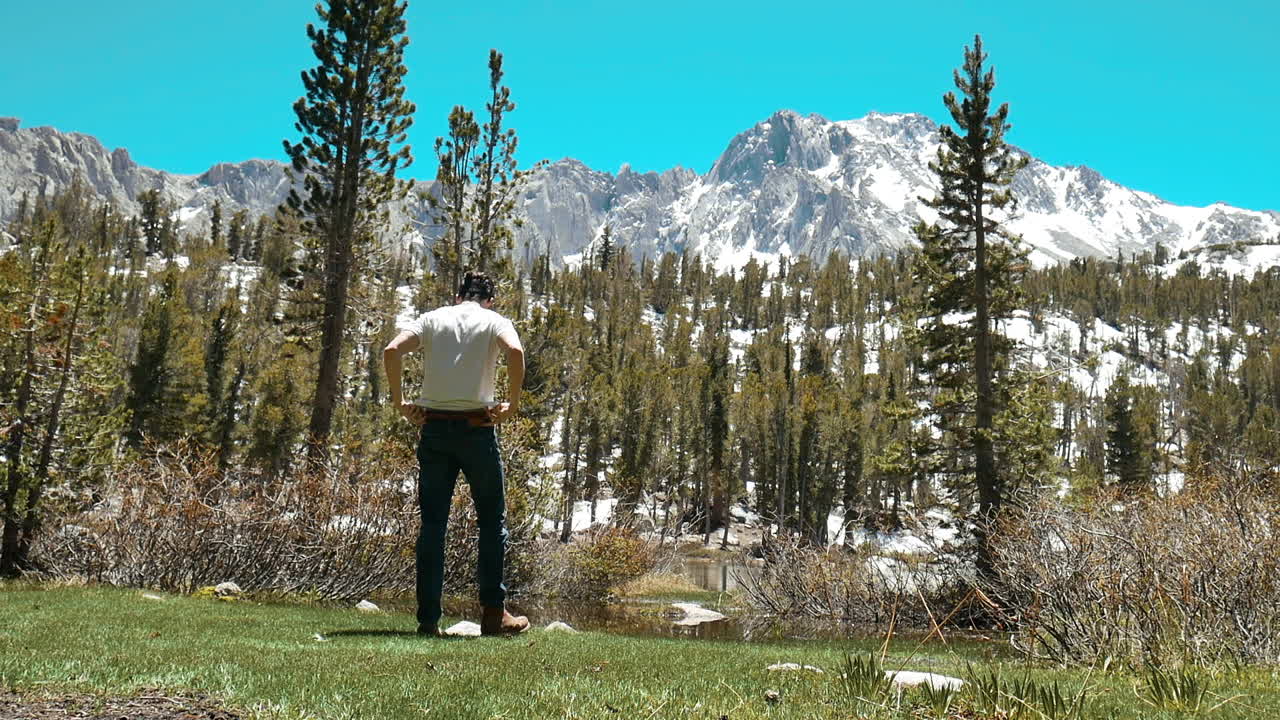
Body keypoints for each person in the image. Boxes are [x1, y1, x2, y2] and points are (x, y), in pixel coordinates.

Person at [383, 270, 530, 636]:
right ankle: (493, 614)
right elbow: (515, 352)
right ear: (489, 301)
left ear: (458, 296)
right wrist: (511, 404)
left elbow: (392, 350)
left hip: (434, 428)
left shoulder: (432, 319)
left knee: (433, 525)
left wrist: (401, 401)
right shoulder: (495, 322)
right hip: (477, 429)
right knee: (491, 523)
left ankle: (428, 620)